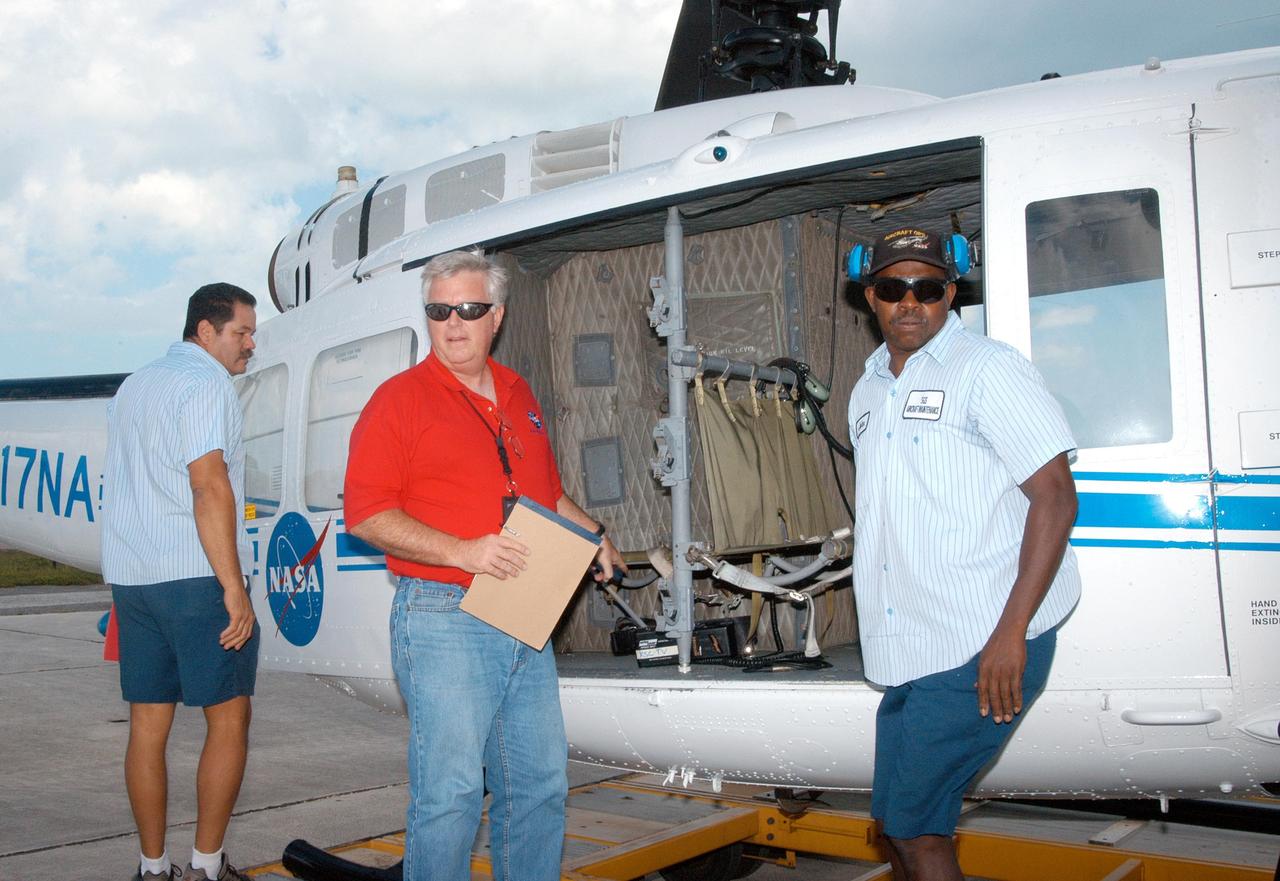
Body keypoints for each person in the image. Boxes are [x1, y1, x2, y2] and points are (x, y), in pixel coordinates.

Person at [343, 250, 625, 881]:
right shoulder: (399, 400)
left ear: (496, 315)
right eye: (439, 311)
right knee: (451, 797)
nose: (453, 324)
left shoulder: (518, 390)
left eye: (468, 310)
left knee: (540, 787)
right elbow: (365, 514)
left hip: (524, 611)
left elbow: (543, 492)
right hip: (443, 616)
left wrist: (592, 534)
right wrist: (462, 550)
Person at [847, 228, 1081, 881]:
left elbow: (1056, 499)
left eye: (928, 287)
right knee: (893, 826)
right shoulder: (865, 392)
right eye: (894, 288)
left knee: (919, 833)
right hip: (910, 648)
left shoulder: (988, 368)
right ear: (872, 296)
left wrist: (1008, 636)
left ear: (951, 292)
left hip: (981, 643)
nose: (911, 302)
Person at [102, 283, 260, 881]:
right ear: (205, 331)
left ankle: (151, 869)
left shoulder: (135, 384)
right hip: (195, 578)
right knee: (229, 719)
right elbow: (208, 484)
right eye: (241, 332)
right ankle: (206, 868)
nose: (250, 346)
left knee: (148, 727)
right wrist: (233, 587)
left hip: (134, 580)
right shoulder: (206, 383)